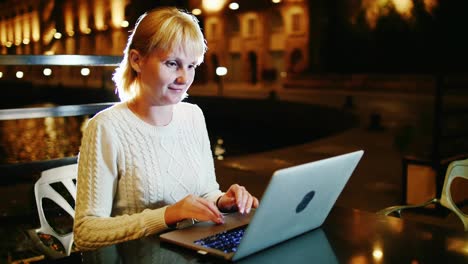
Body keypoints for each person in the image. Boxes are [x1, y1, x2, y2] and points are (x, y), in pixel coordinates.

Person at [73, 7, 259, 251]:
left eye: (191, 66)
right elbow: (86, 232)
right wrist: (167, 215)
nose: (184, 78)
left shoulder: (193, 115)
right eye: (172, 63)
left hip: (191, 252)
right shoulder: (106, 127)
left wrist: (222, 202)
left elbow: (206, 191)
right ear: (137, 60)